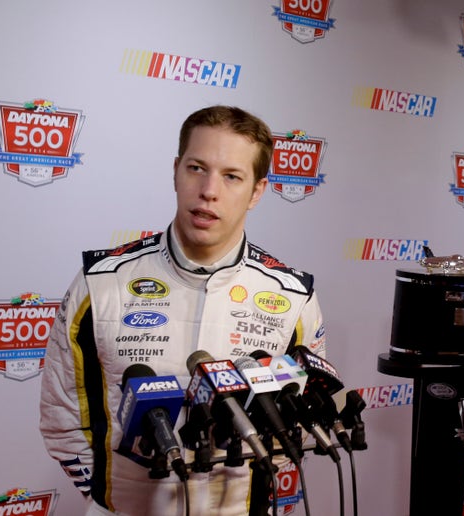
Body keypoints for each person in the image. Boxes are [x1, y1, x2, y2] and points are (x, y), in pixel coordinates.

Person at [39, 106, 326, 516]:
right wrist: (108, 499)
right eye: (196, 168)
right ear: (176, 171)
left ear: (257, 191)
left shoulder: (294, 298)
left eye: (232, 176)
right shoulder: (100, 283)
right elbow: (61, 414)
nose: (209, 190)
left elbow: (293, 421)